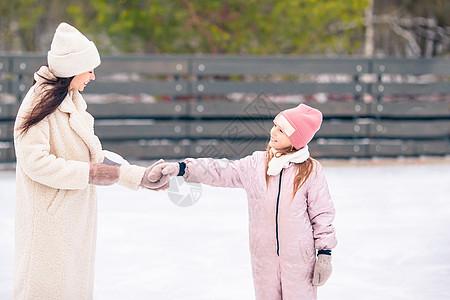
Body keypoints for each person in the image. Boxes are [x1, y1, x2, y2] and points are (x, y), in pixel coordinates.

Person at [13, 23, 168, 299]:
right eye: (89, 69)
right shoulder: (39, 103)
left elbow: (96, 157)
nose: (93, 76)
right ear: (72, 68)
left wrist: (139, 177)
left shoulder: (71, 100)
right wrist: (87, 173)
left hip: (71, 223)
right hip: (49, 227)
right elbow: (34, 162)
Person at [147, 103, 337, 300]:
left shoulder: (310, 171)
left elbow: (322, 214)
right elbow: (220, 170)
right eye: (275, 126)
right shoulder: (256, 164)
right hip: (263, 259)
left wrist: (324, 253)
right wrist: (181, 168)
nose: (273, 132)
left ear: (295, 139)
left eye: (282, 130)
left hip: (299, 260)